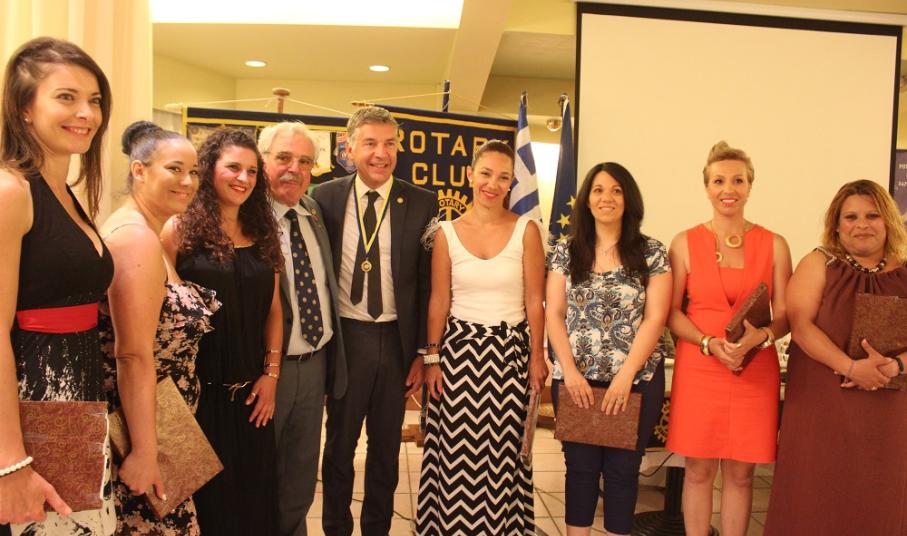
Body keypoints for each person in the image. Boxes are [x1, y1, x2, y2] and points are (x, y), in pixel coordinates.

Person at [0, 37, 116, 535]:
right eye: (66, 97)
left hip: (75, 408)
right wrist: (10, 464)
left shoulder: (64, 192)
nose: (86, 113)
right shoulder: (11, 191)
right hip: (30, 417)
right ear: (25, 108)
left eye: (94, 100)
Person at [311, 106, 437, 536]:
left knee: (385, 451)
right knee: (339, 446)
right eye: (370, 143)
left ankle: (376, 529)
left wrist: (422, 352)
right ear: (348, 149)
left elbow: (426, 283)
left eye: (389, 144)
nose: (381, 154)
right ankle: (336, 528)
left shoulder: (422, 202)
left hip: (396, 341)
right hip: (347, 338)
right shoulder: (324, 198)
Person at [416, 140, 547, 535]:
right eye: (486, 173)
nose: (493, 184)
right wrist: (432, 359)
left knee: (502, 453)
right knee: (456, 453)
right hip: (458, 357)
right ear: (470, 175)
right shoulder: (446, 233)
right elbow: (439, 300)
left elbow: (535, 299)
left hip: (510, 356)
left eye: (503, 177)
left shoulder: (527, 230)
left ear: (511, 183)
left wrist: (537, 357)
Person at [764, 180, 907, 535]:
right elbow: (801, 327)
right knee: (817, 490)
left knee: (881, 495)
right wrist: (852, 368)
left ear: (888, 220)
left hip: (888, 411)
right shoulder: (818, 264)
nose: (862, 225)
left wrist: (897, 365)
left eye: (872, 215)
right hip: (822, 406)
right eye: (851, 217)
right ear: (837, 224)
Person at [98, 121, 219, 535]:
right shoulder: (135, 239)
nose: (188, 182)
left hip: (165, 425)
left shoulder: (154, 232)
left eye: (194, 172)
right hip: (138, 434)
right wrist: (145, 452)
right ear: (139, 170)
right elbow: (132, 354)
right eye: (174, 169)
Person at [665, 141, 792, 536]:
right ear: (706, 187)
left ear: (750, 186)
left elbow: (785, 314)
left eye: (738, 180)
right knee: (698, 471)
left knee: (741, 474)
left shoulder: (775, 244)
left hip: (754, 369)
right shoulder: (683, 242)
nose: (728, 189)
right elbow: (671, 313)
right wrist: (707, 343)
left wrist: (762, 337)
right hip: (700, 367)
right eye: (719, 181)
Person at [161, 127, 283, 536]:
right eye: (233, 167)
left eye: (252, 170)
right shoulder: (178, 231)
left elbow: (275, 311)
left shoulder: (263, 234)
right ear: (209, 169)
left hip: (253, 397)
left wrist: (271, 376)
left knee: (255, 504)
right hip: (197, 397)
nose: (243, 178)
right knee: (210, 509)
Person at [546, 162, 672, 536]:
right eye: (599, 190)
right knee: (580, 470)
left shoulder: (651, 251)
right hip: (577, 380)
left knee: (622, 472)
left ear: (628, 199)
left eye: (617, 190)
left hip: (635, 381)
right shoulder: (565, 251)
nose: (607, 198)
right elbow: (554, 313)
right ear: (587, 200)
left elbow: (656, 317)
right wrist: (570, 372)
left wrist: (625, 376)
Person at [258, 121, 347, 536]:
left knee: (300, 477)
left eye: (305, 161)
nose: (294, 169)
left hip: (314, 365)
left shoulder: (313, 212)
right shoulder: (245, 218)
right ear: (262, 161)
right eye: (283, 158)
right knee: (260, 475)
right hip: (264, 373)